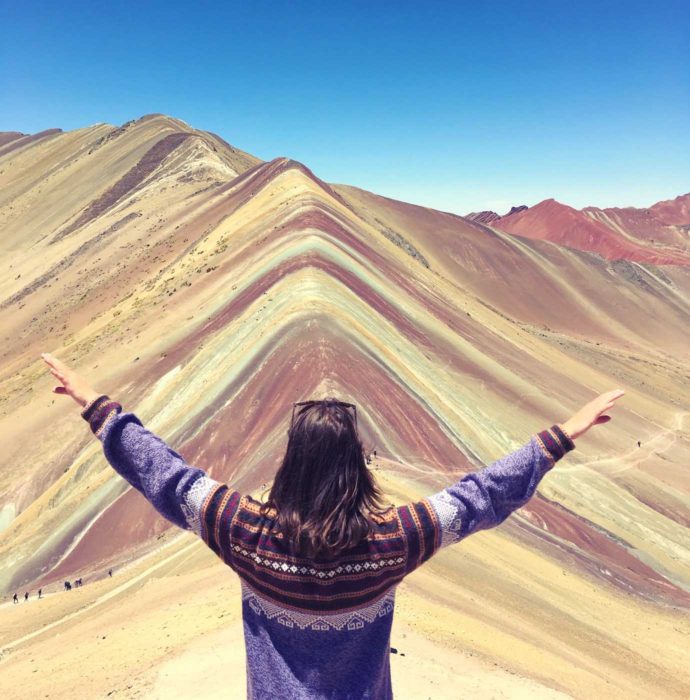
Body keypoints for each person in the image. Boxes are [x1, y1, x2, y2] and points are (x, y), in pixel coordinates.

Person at [40, 351, 624, 699]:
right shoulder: (394, 541)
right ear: (357, 468)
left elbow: (165, 476)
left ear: (290, 461)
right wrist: (560, 437)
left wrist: (100, 410)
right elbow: (478, 499)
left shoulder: (243, 532)